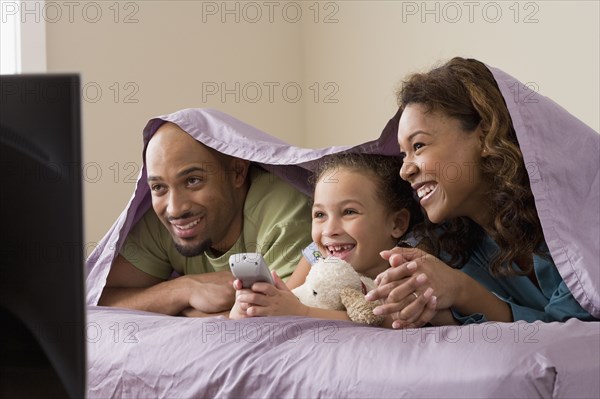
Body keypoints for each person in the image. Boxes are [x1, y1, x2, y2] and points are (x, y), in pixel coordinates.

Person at [366, 57, 599, 327]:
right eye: (403, 154)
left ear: (485, 135)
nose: (404, 170)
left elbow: (573, 332)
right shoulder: (453, 249)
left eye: (418, 146)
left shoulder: (580, 211)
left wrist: (464, 291)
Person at [97, 120, 313, 316]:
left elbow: (282, 320)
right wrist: (183, 290)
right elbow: (100, 298)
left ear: (237, 172)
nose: (174, 209)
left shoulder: (285, 215)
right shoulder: (161, 220)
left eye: (192, 181)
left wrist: (187, 314)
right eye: (159, 187)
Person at [229, 152, 433, 326]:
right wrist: (248, 308)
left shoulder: (405, 260)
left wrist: (301, 313)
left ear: (396, 224)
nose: (329, 230)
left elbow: (389, 323)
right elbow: (289, 298)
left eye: (349, 212)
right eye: (319, 215)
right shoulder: (318, 254)